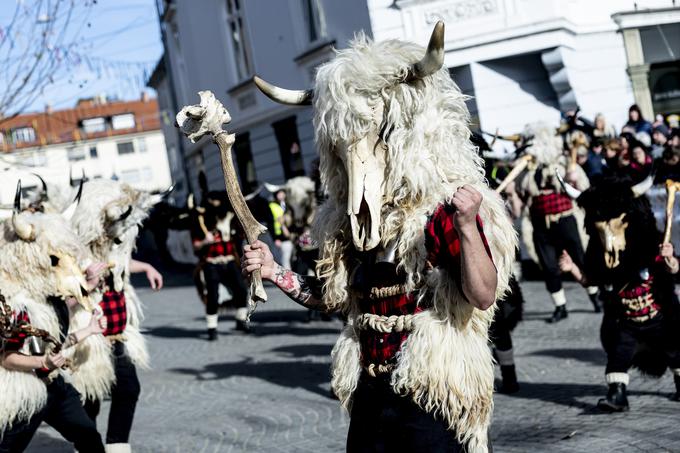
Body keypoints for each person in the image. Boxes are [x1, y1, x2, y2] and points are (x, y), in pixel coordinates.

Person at [248, 22, 517, 452]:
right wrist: (274, 271)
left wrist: (468, 227)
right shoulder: (347, 224)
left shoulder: (441, 214)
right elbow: (331, 297)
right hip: (372, 398)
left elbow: (483, 296)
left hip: (430, 394)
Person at [558, 176, 680, 411]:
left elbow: (672, 269)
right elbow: (591, 280)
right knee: (618, 353)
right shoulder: (600, 257)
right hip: (625, 319)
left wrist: (670, 258)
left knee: (675, 349)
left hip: (657, 315)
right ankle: (617, 395)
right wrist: (572, 268)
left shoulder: (650, 246)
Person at [190, 193, 249, 339]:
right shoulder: (202, 221)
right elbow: (196, 246)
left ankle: (241, 320)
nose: (216, 205)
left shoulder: (230, 218)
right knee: (213, 296)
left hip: (229, 261)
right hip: (212, 264)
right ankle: (212, 328)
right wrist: (205, 241)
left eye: (217, 202)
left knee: (241, 289)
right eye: (212, 202)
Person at [268, 189, 293, 269]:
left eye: (282, 192)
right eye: (279, 193)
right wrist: (275, 238)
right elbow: (271, 224)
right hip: (281, 237)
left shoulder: (289, 205)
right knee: (285, 260)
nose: (281, 195)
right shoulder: (272, 205)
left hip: (292, 236)